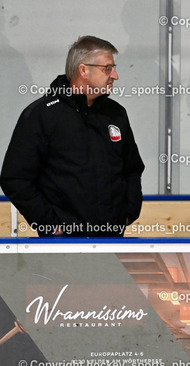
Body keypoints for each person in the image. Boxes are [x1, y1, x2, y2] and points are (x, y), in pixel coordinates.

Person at [0, 35, 144, 237]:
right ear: (83, 70)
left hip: (112, 240)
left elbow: (132, 169)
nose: (115, 75)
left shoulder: (116, 114)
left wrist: (127, 215)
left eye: (114, 68)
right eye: (107, 68)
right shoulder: (43, 115)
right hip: (62, 245)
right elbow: (15, 178)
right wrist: (50, 225)